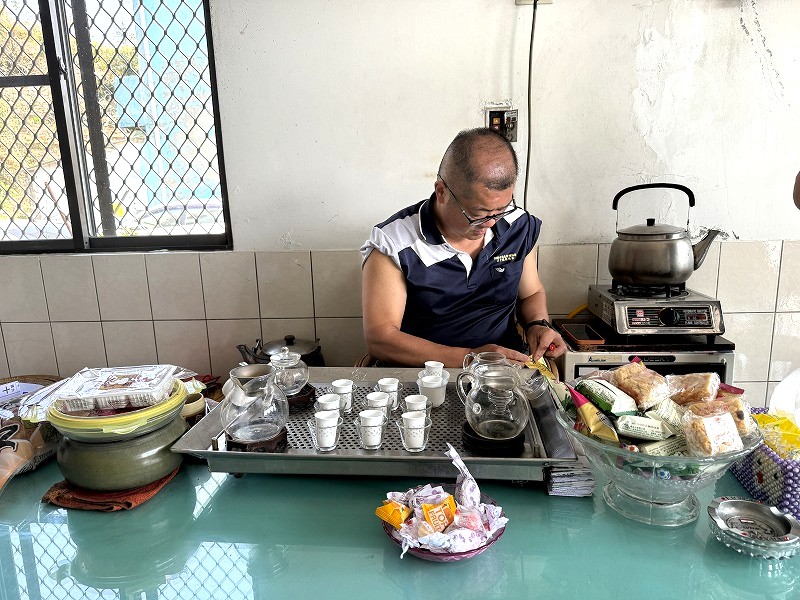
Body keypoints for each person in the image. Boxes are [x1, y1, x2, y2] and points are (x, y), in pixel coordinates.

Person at [360, 128, 566, 368]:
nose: (490, 223)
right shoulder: (395, 243)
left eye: (501, 211)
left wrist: (537, 325)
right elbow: (380, 339)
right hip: (424, 376)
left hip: (504, 371)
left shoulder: (516, 227)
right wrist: (469, 358)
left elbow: (531, 294)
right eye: (478, 214)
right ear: (442, 192)